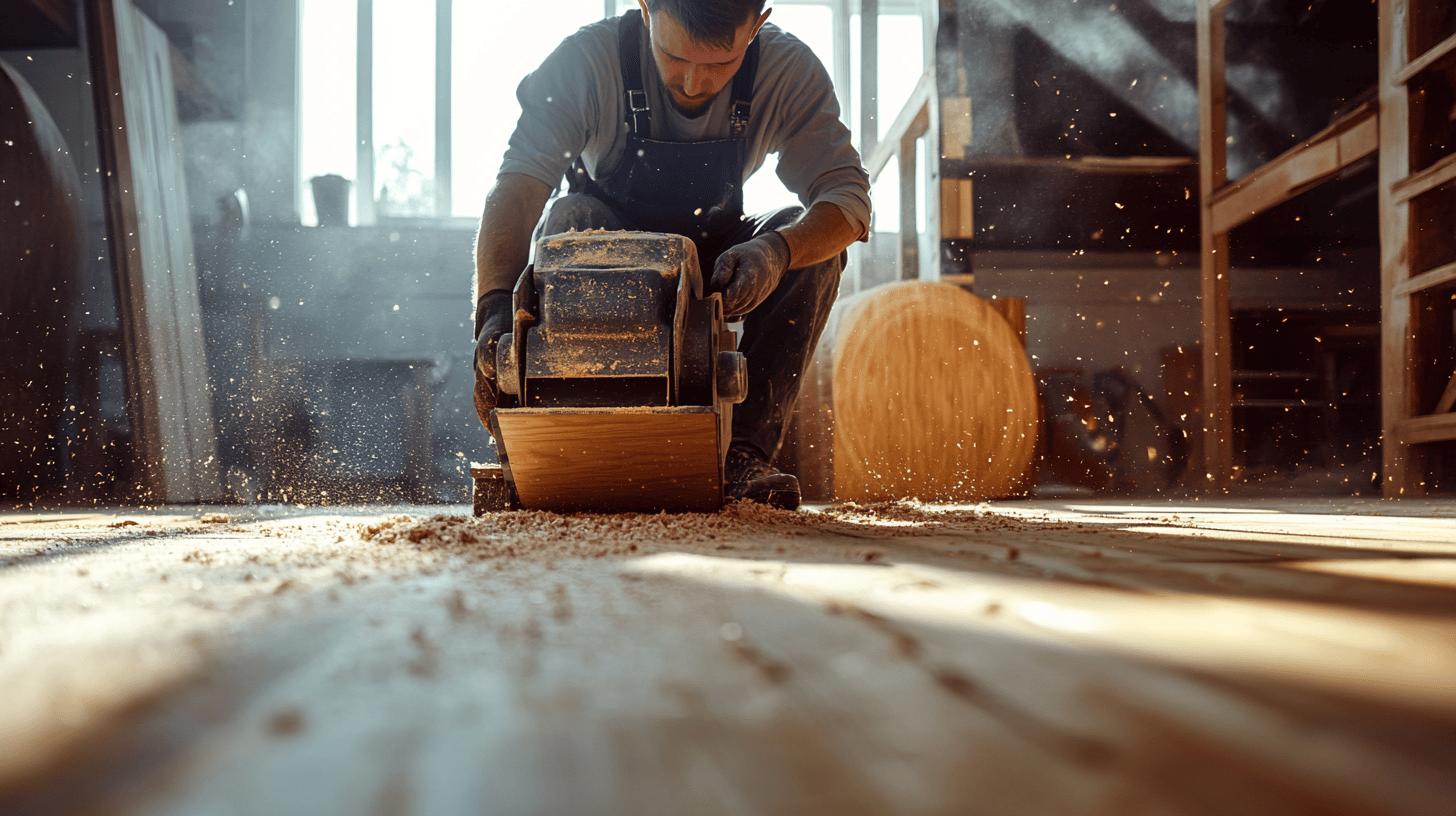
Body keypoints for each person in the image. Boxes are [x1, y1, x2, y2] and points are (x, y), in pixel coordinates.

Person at [472, 0, 871, 509]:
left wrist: (775, 252)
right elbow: (518, 186)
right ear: (645, 8)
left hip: (719, 259)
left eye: (719, 65)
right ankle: (556, 444)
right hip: (607, 246)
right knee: (568, 217)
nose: (692, 83)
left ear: (758, 24)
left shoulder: (787, 69)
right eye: (673, 56)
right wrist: (493, 312)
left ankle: (744, 457)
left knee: (807, 242)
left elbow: (847, 200)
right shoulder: (586, 61)